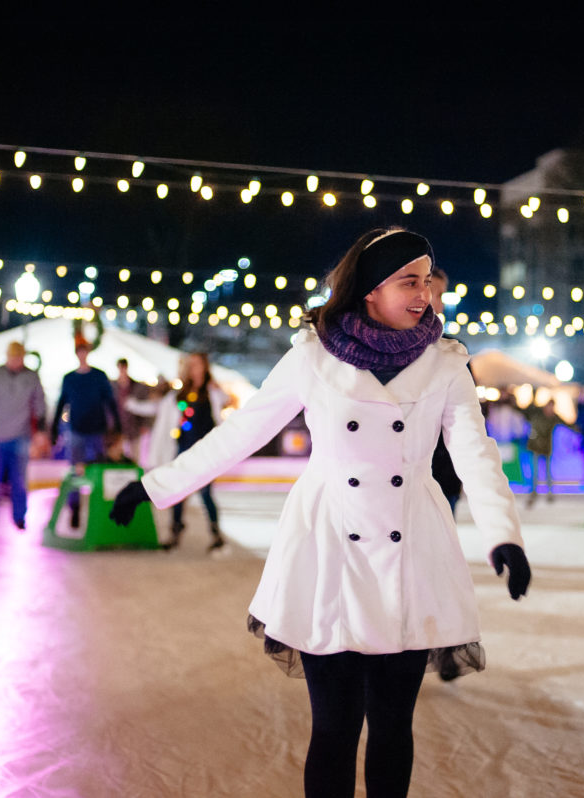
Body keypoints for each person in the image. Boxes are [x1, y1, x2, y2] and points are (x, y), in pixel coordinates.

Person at [109, 228, 530, 798]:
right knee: (334, 729)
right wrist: (156, 485)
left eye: (428, 280)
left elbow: (475, 452)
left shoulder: (446, 363)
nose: (425, 294)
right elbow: (244, 431)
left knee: (392, 728)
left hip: (415, 554)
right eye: (410, 280)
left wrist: (504, 535)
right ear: (369, 290)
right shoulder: (313, 355)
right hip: (330, 549)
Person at [148, 352, 227, 550]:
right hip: (184, 448)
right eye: (190, 365)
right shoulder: (180, 394)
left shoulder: (211, 392)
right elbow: (164, 414)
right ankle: (175, 531)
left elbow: (224, 403)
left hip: (206, 451)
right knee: (178, 492)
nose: (194, 368)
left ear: (205, 366)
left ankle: (216, 533)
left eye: (197, 364)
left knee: (206, 493)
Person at [0, 341, 48, 531]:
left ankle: (19, 516)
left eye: (19, 357)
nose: (16, 361)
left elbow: (40, 404)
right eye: (13, 357)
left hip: (21, 436)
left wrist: (41, 431)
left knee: (19, 480)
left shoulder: (31, 377)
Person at [52, 338, 120, 526]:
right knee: (76, 470)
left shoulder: (99, 376)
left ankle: (100, 508)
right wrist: (53, 429)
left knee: (97, 470)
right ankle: (74, 508)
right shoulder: (70, 378)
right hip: (76, 430)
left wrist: (117, 426)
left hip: (96, 430)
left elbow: (110, 402)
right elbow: (61, 403)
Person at [428, 264, 463, 515]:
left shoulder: (452, 351)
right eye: (437, 295)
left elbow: (466, 423)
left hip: (444, 469)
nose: (439, 306)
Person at [522, 395, 569, 506]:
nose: (550, 409)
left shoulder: (554, 417)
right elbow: (527, 414)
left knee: (547, 471)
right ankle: (533, 491)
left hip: (546, 447)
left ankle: (549, 492)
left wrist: (577, 428)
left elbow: (567, 424)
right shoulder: (538, 414)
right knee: (535, 471)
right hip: (536, 446)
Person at [113, 357, 151, 462]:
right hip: (118, 428)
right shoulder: (113, 386)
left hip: (134, 427)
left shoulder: (137, 386)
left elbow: (145, 406)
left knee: (135, 456)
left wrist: (145, 424)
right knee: (118, 457)